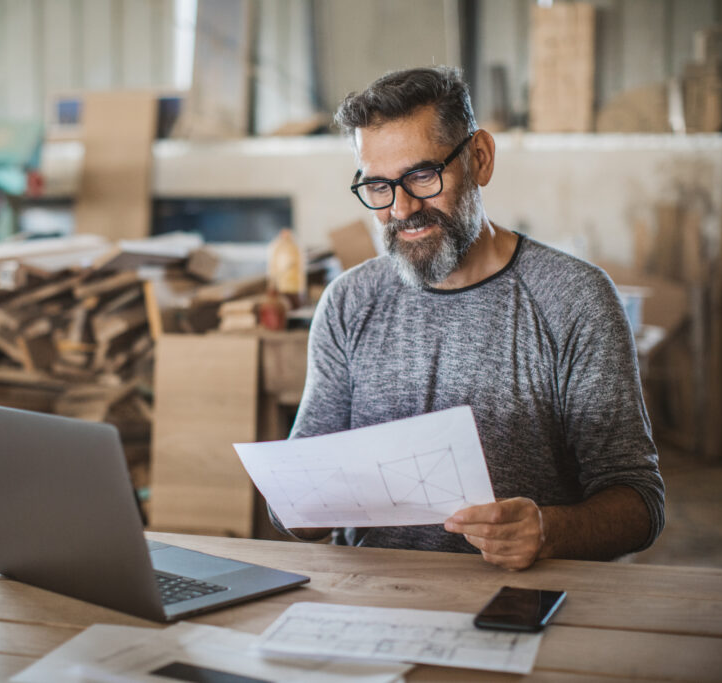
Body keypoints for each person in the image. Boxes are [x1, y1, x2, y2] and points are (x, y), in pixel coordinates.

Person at [276, 66, 664, 570]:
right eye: (378, 185)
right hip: (373, 603)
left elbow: (640, 503)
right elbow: (299, 497)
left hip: (521, 600)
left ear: (479, 158)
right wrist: (296, 507)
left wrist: (548, 532)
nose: (402, 208)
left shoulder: (574, 300)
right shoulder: (349, 304)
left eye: (422, 175)